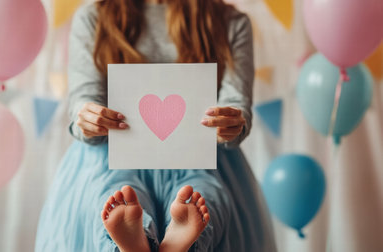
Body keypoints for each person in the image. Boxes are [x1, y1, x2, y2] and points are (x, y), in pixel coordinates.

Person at [36, 0, 276, 251]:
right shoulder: (92, 17)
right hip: (112, 151)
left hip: (201, 155)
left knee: (202, 197)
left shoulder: (231, 22)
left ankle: (168, 241)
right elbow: (83, 99)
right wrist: (87, 119)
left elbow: (237, 105)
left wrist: (230, 124)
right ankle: (152, 241)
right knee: (115, 193)